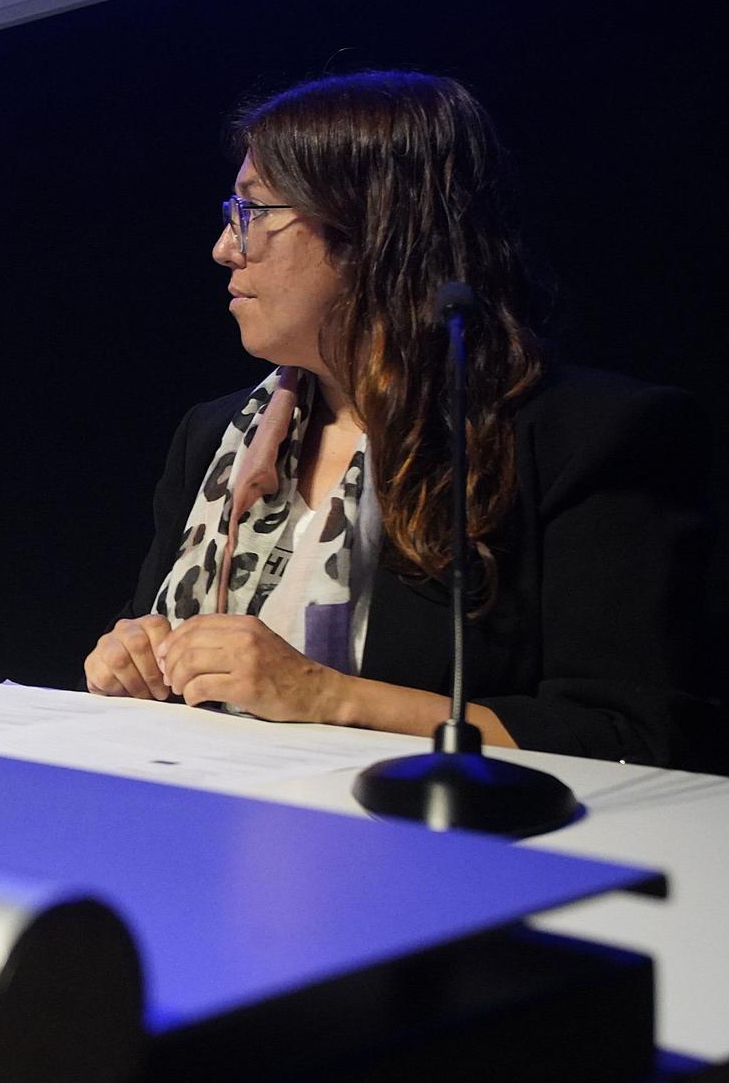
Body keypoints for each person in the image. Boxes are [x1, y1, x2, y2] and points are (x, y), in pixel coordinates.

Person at [83, 71, 713, 767]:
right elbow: (162, 655)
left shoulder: (584, 438)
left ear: (373, 228)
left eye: (253, 213)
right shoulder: (215, 437)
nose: (225, 247)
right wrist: (132, 657)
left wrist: (330, 696)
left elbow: (634, 737)